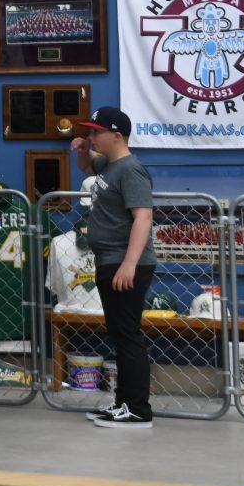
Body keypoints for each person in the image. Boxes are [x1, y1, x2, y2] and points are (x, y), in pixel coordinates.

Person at [70, 107, 156, 429]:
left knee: (128, 335)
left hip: (125, 263)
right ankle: (124, 404)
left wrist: (129, 263)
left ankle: (137, 408)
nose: (91, 137)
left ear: (116, 135)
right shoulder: (110, 165)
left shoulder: (131, 170)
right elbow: (86, 164)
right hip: (111, 261)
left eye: (96, 132)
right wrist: (82, 150)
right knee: (120, 335)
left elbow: (143, 217)